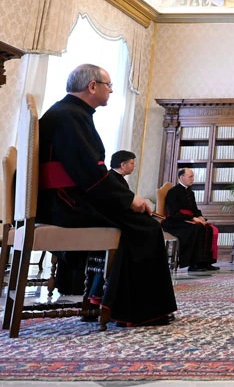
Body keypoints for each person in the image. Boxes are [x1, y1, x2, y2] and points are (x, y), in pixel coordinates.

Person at [37, 64, 176, 326]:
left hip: (63, 200)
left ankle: (106, 300)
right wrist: (128, 200)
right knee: (145, 227)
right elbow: (90, 171)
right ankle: (136, 310)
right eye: (108, 85)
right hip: (65, 204)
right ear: (92, 86)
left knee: (139, 224)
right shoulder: (70, 116)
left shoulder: (69, 112)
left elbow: (87, 169)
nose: (111, 91)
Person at [163, 168, 220, 272]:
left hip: (187, 219)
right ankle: (193, 264)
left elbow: (194, 209)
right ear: (182, 177)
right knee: (197, 228)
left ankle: (205, 262)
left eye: (193, 176)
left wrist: (200, 217)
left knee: (208, 228)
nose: (193, 179)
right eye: (190, 176)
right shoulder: (173, 192)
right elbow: (173, 212)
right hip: (175, 222)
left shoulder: (190, 192)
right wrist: (192, 218)